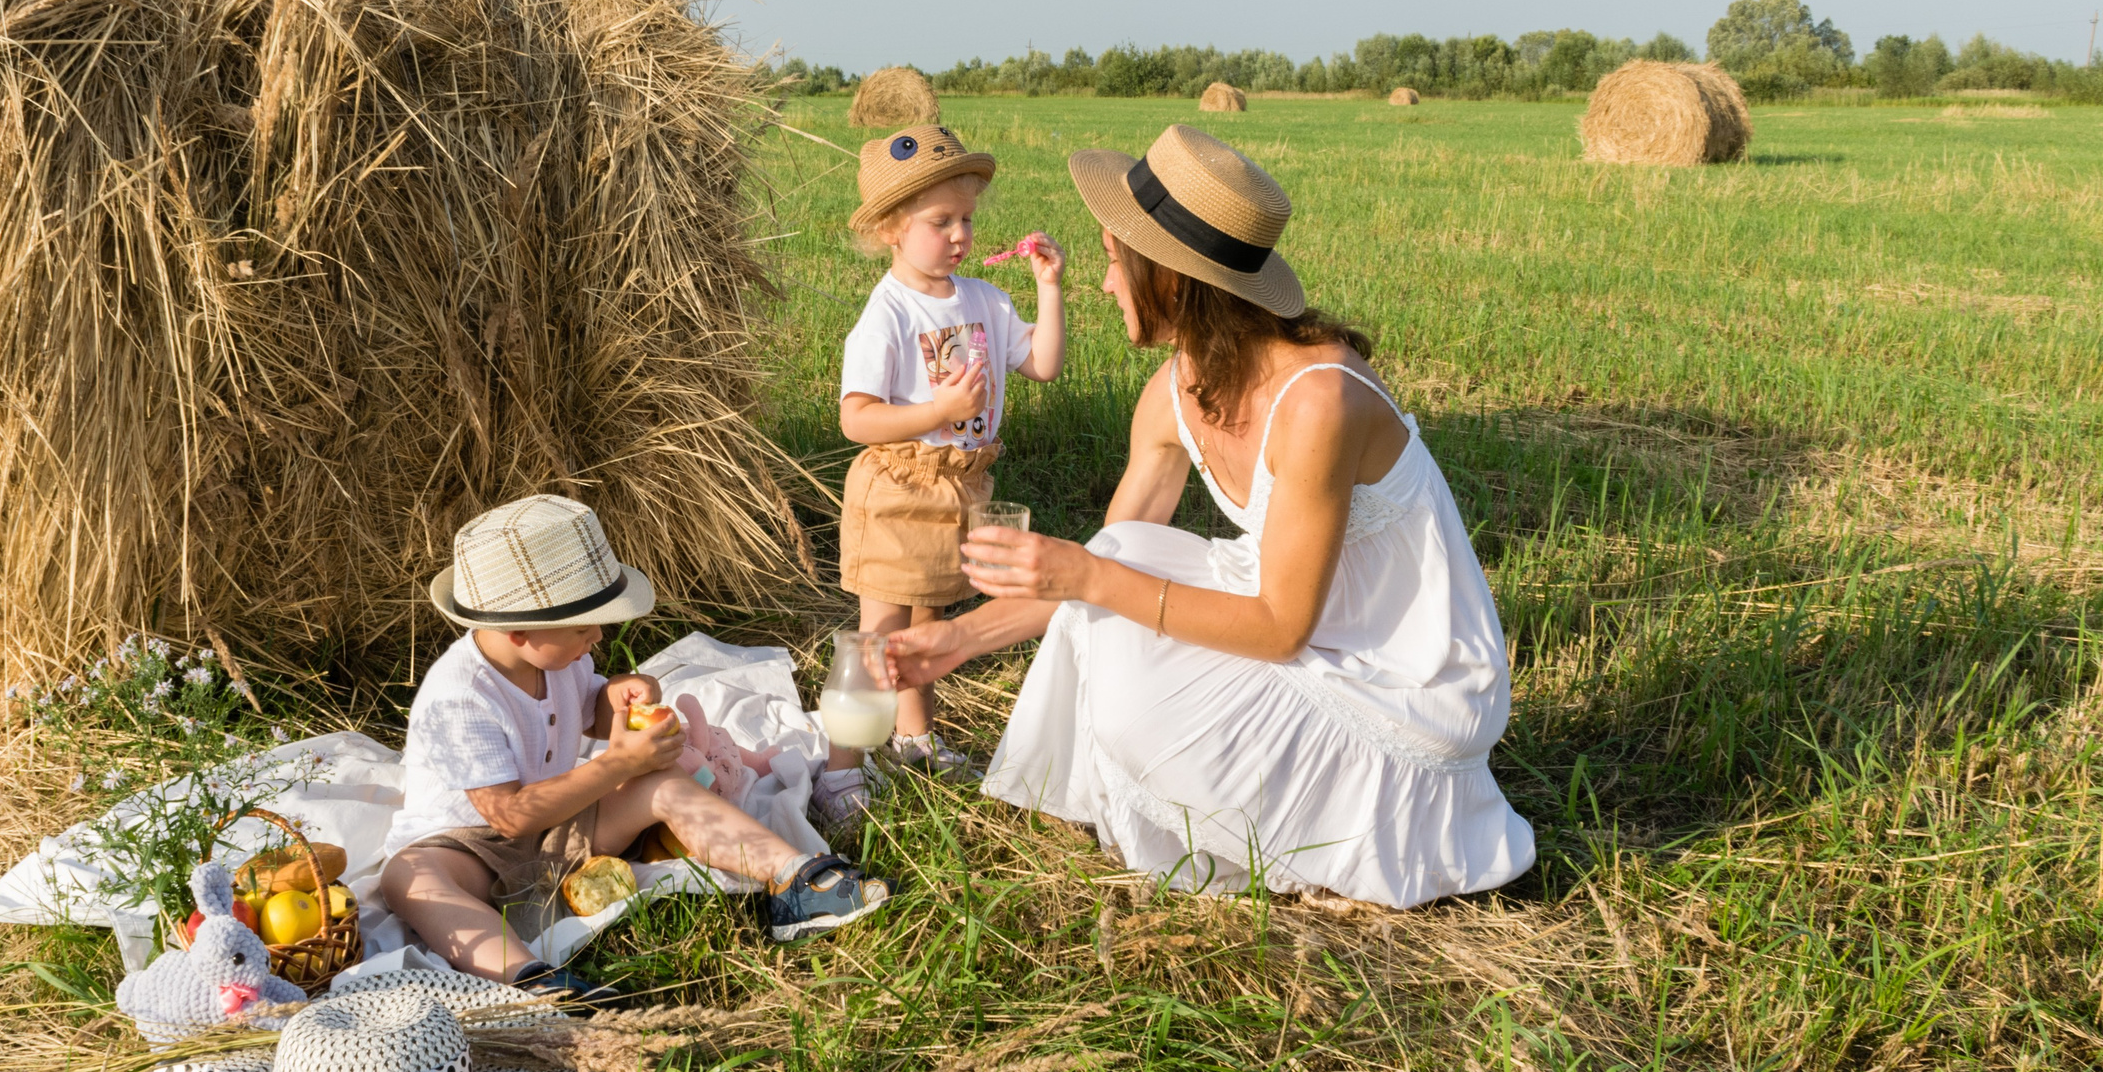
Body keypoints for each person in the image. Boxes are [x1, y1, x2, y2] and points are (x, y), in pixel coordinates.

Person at [879, 125, 1533, 908]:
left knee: (1124, 653)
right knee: (1121, 554)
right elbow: (1099, 568)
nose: (1105, 283)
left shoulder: (1320, 400)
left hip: (1400, 683)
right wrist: (957, 641)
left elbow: (1279, 625)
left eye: (1116, 260)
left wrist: (1089, 573)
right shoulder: (1172, 393)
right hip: (1314, 626)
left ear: (1172, 279)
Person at [378, 495, 891, 995]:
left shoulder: (556, 659)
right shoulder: (460, 698)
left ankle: (793, 879)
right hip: (468, 848)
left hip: (560, 825)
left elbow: (590, 712)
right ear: (518, 632)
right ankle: (529, 980)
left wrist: (620, 697)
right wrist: (618, 764)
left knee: (664, 783)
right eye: (583, 627)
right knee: (410, 881)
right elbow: (509, 816)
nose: (598, 637)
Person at [835, 125, 1064, 774]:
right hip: (898, 488)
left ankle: (914, 736)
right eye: (941, 221)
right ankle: (840, 767)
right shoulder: (889, 314)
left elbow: (1043, 364)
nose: (960, 234)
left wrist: (1049, 288)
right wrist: (939, 412)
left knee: (927, 625)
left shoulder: (986, 300)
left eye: (966, 218)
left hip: (960, 485)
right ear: (890, 228)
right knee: (879, 633)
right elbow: (856, 418)